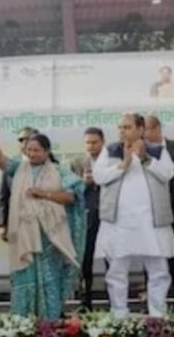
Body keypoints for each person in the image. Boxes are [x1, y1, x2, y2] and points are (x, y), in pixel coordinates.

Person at [0, 117, 85, 320]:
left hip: (50, 236)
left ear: (47, 152)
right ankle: (24, 321)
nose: (31, 154)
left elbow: (71, 197)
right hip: (24, 235)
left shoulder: (59, 171)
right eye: (29, 150)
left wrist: (43, 194)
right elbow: (1, 160)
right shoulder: (19, 168)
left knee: (49, 278)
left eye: (36, 150)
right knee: (24, 276)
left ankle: (50, 322)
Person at [93, 113, 174, 318]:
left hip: (151, 222)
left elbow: (168, 173)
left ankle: (157, 316)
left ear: (140, 130)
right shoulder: (111, 151)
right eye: (120, 127)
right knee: (116, 271)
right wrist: (123, 164)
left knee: (159, 270)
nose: (122, 131)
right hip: (119, 222)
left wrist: (145, 159)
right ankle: (119, 315)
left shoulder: (157, 150)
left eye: (127, 127)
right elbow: (99, 177)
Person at [143, 115, 174, 312]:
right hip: (147, 214)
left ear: (157, 128)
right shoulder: (140, 150)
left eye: (147, 129)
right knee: (150, 259)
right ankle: (154, 305)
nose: (144, 134)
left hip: (172, 212)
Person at [70, 127, 105, 311]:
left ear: (102, 142)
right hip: (86, 217)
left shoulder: (112, 161)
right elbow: (70, 192)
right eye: (87, 143)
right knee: (85, 260)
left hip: (108, 217)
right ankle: (85, 301)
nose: (90, 146)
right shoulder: (76, 163)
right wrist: (84, 183)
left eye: (94, 142)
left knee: (111, 260)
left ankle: (114, 302)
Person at [0, 126, 39, 242]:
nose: (24, 142)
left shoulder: (48, 162)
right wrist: (2, 224)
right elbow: (4, 196)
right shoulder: (10, 164)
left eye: (28, 138)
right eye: (21, 140)